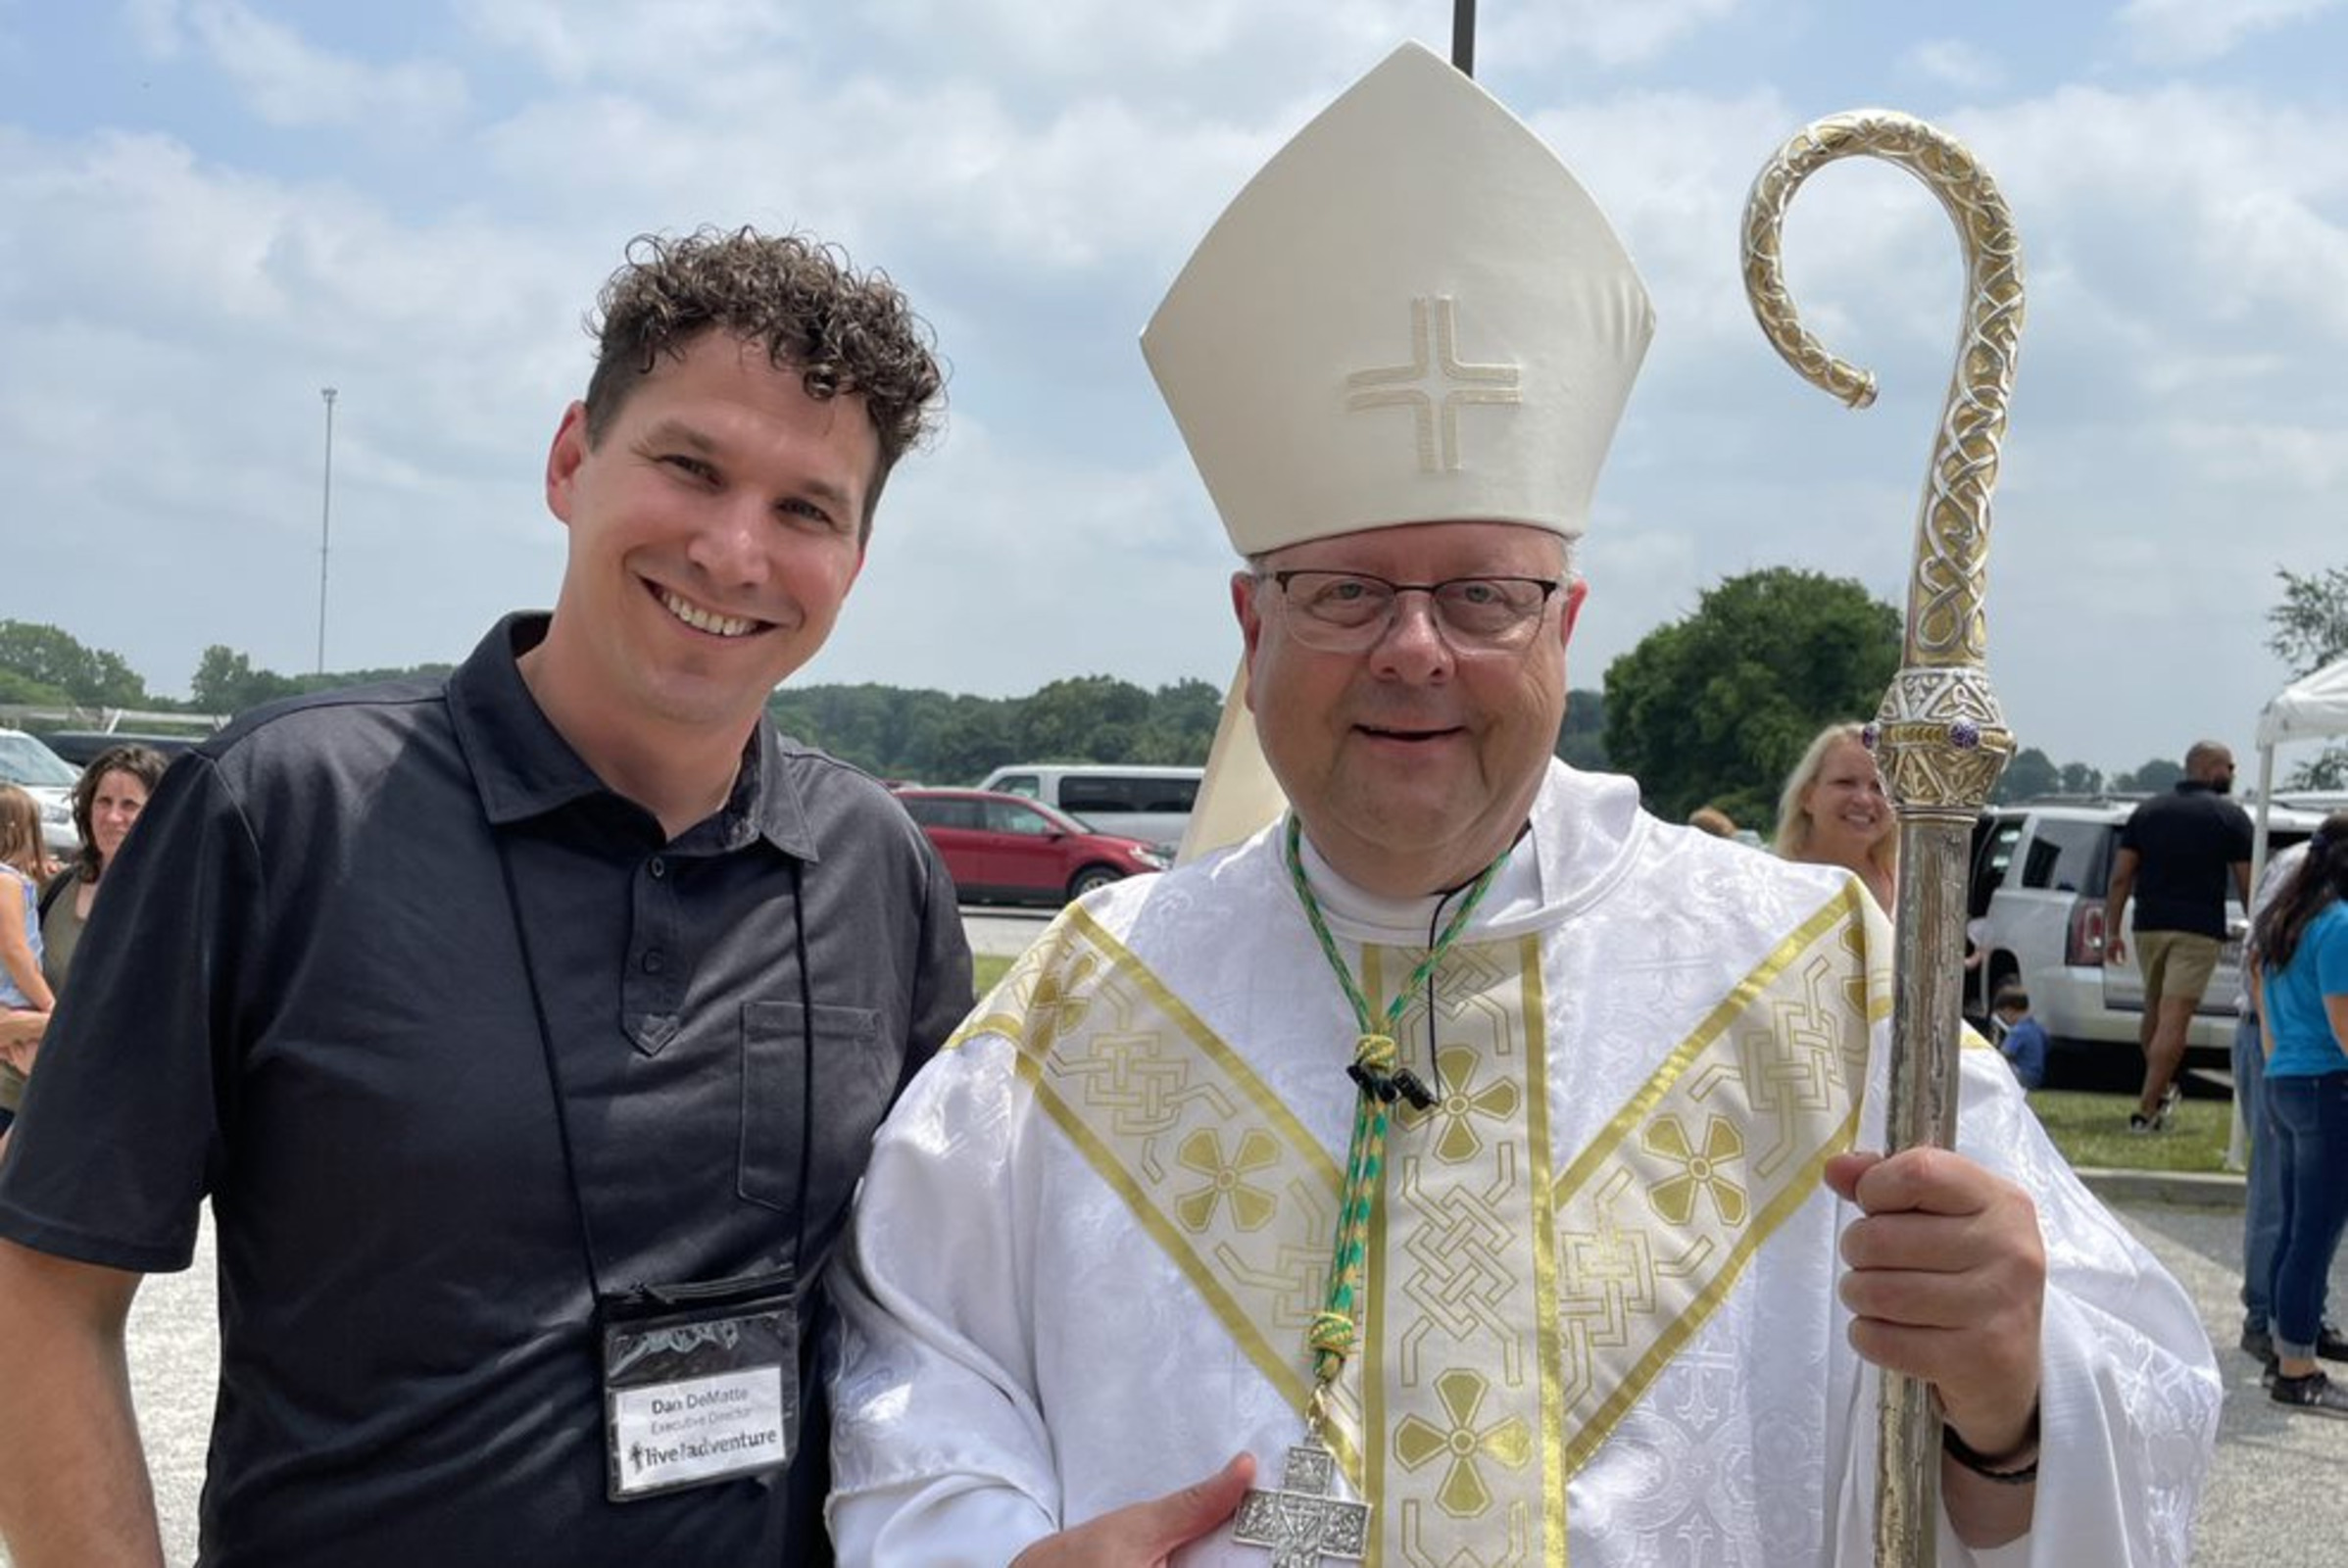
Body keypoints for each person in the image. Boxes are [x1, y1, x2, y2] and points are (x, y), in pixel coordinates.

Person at [826, 44, 2217, 1567]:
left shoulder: (1820, 982)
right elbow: (916, 1381)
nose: (1415, 649)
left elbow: (2122, 1407)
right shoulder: (1086, 1004)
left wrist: (2011, 1395)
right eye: (1345, 590)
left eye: (1484, 595)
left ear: (1566, 628)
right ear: (1250, 627)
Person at [0, 227, 973, 1567]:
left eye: (807, 509)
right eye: (690, 467)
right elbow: (45, 1285)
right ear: (571, 460)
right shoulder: (284, 811)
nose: (735, 550)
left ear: (854, 559)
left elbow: (941, 1312)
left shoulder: (875, 867)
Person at [0, 745, 171, 1116]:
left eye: (129, 805)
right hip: (10, 1097)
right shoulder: (52, 888)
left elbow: (155, 1027)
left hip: (93, 1113)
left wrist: (41, 1029)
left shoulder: (172, 907)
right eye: (103, 801)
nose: (112, 816)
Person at [2233, 840, 2347, 1369]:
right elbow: (2341, 1022)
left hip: (2287, 1065)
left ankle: (2289, 1335)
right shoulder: (2333, 918)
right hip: (2317, 1071)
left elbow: (2260, 970)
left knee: (2299, 1222)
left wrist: (2277, 1055)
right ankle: (2286, 1347)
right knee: (2303, 1225)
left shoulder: (2298, 916)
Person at [2103, 742, 2252, 1133]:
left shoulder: (2148, 812)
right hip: (2197, 928)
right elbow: (2247, 884)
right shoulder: (2230, 816)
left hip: (2148, 924)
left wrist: (2111, 929)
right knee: (2175, 1018)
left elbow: (2121, 876)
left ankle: (2161, 1089)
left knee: (2153, 1011)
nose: (2233, 774)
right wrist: (2261, 927)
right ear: (2207, 768)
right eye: (2229, 766)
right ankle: (2146, 1110)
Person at [1775, 720, 1897, 912]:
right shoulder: (1771, 886)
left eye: (1879, 788)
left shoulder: (1910, 890)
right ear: (1807, 796)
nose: (1864, 799)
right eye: (1845, 783)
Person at [0, 785, 57, 1147]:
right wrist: (49, 1004)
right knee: (47, 1086)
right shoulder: (5, 881)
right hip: (14, 995)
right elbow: (14, 950)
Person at [1991, 986, 2047, 1092]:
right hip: (2037, 1077)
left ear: (2009, 1011)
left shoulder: (2017, 1031)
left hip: (2022, 1077)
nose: (2004, 1020)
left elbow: (2004, 1055)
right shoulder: (2037, 1028)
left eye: (2003, 1016)